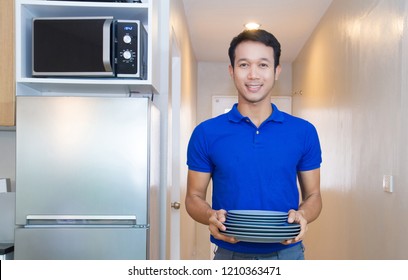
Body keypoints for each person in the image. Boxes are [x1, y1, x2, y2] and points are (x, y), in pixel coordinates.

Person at [185, 29, 322, 260]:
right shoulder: (206, 133)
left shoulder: (304, 132)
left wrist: (303, 214)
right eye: (244, 65)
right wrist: (210, 215)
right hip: (230, 255)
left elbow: (314, 196)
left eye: (263, 65)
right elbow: (193, 197)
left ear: (277, 71)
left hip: (288, 254)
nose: (253, 75)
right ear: (231, 70)